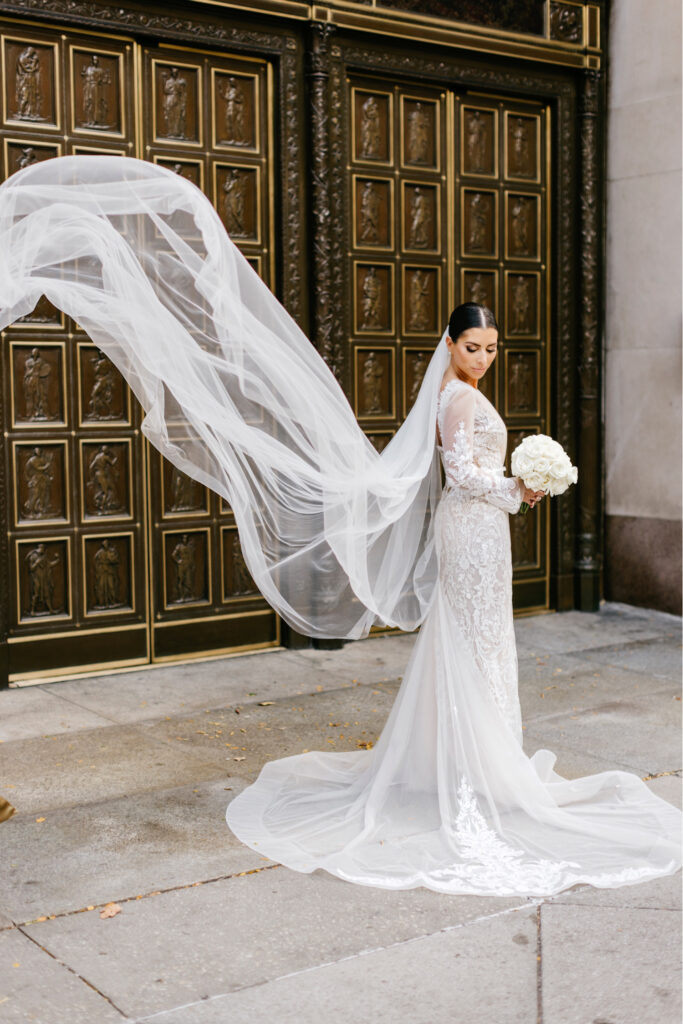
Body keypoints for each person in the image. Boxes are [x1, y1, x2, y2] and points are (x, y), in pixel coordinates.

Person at [0, 155, 678, 897]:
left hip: (480, 530)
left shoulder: (461, 392)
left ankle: (476, 762)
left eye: (489, 349)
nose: (482, 359)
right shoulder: (454, 400)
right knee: (473, 642)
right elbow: (462, 476)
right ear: (449, 347)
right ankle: (473, 772)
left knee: (478, 643)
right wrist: (521, 485)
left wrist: (515, 488)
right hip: (473, 524)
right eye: (471, 347)